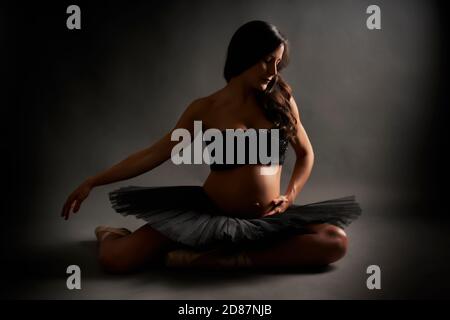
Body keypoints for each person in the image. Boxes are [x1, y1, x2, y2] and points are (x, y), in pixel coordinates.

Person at [61, 20, 361, 274]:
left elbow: (306, 154)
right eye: (267, 60)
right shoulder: (206, 108)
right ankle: (113, 235)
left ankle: (232, 259)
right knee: (115, 260)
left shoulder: (281, 101)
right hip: (210, 213)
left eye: (278, 62)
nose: (273, 70)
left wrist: (290, 195)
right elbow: (154, 154)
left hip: (267, 218)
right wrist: (93, 181)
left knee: (336, 241)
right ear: (244, 57)